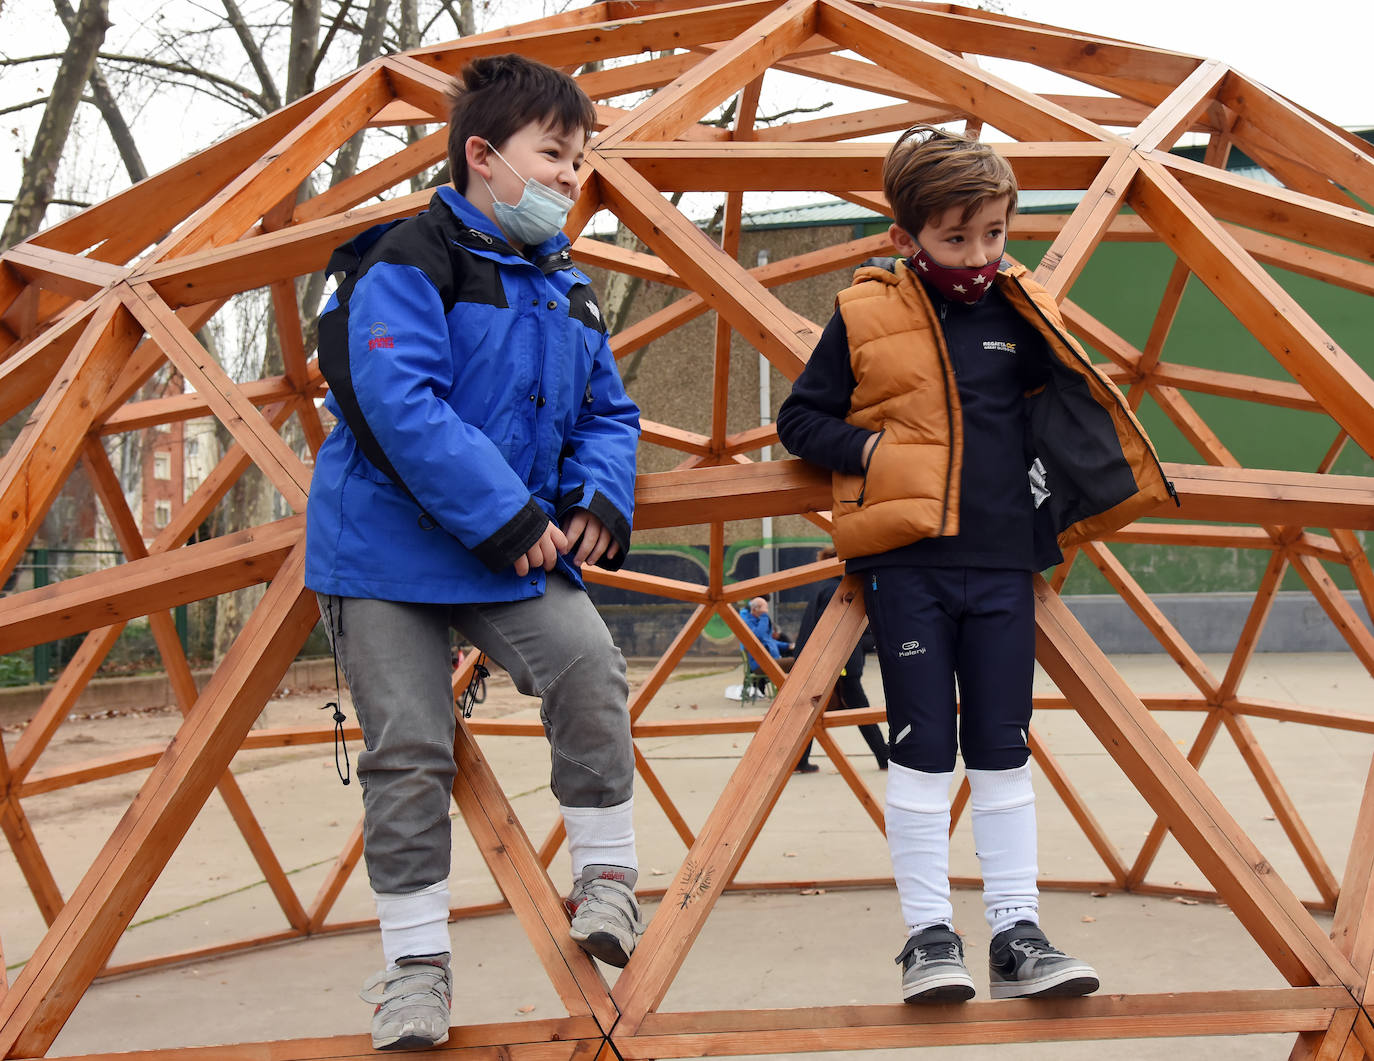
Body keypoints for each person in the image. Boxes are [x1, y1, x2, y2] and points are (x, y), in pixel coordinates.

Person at [776, 124, 1173, 1004]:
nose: (980, 255)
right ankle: (927, 935)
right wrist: (881, 455)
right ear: (904, 237)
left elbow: (1064, 400)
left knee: (1002, 750)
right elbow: (800, 423)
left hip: (1003, 566)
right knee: (923, 750)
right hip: (908, 566)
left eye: (995, 234)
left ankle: (1017, 933)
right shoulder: (861, 313)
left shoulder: (1017, 309)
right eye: (956, 239)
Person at [306, 54, 643, 1051]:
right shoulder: (408, 258)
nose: (569, 179)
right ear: (482, 156)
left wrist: (594, 491)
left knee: (588, 666)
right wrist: (506, 515)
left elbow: (608, 412)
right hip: (387, 550)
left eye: (580, 161)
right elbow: (397, 402)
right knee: (406, 748)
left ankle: (609, 876)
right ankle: (416, 967)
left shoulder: (566, 286)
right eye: (553, 156)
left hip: (508, 543)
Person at [793, 546, 887, 774]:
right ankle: (883, 755)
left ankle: (800, 760)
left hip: (820, 663)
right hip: (837, 665)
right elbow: (834, 630)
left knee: (811, 711)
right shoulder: (836, 590)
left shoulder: (824, 587)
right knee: (860, 709)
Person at [739, 595, 794, 674]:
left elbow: (769, 640)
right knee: (795, 662)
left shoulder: (760, 621)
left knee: (795, 658)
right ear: (755, 609)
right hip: (761, 663)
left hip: (770, 660)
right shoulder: (749, 621)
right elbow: (757, 636)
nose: (766, 611)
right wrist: (764, 616)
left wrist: (787, 645)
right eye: (764, 608)